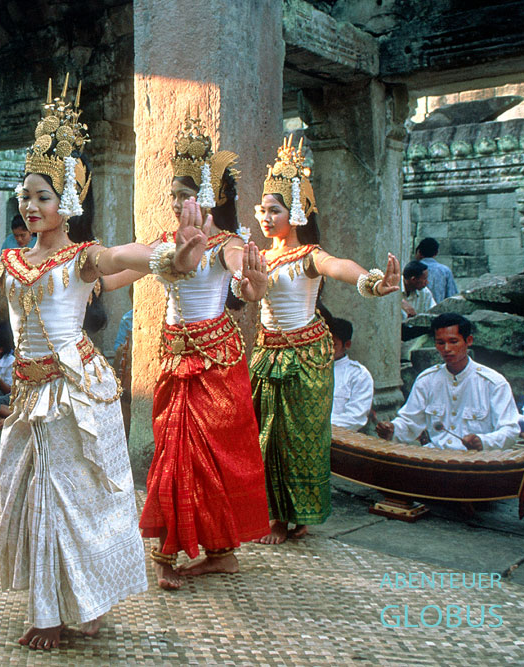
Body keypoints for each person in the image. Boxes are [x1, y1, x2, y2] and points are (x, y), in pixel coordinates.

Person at [0, 77, 205, 650]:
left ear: (66, 201)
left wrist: (175, 250)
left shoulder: (81, 259)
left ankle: (71, 607)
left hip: (75, 390)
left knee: (76, 499)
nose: (31, 205)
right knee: (32, 499)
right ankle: (55, 604)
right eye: (25, 196)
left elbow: (126, 255)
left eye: (43, 196)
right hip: (27, 395)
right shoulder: (10, 263)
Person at [129, 113, 270, 590]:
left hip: (215, 363)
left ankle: (217, 551)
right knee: (172, 449)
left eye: (184, 196)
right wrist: (85, 278)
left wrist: (252, 283)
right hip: (174, 357)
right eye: (172, 196)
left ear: (211, 198)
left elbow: (243, 279)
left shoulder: (228, 244)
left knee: (212, 456)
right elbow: (123, 269)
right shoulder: (166, 244)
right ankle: (173, 547)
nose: (175, 204)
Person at [251, 136, 401, 545]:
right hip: (267, 353)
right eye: (263, 210)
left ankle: (292, 517)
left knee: (298, 437)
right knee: (266, 434)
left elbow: (340, 267)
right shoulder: (258, 257)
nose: (266, 217)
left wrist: (370, 281)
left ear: (296, 213)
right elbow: (246, 294)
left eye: (275, 210)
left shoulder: (308, 256)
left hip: (304, 357)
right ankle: (271, 511)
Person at [377, 313, 520, 451]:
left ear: (468, 341)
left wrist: (483, 441)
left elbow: (510, 430)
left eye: (453, 342)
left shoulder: (493, 383)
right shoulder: (426, 380)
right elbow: (410, 423)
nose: (446, 349)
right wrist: (392, 429)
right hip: (435, 457)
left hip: (477, 462)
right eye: (440, 343)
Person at [329, 317, 374, 431]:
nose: (326, 350)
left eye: (333, 345)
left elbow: (355, 418)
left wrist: (318, 426)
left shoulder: (358, 375)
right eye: (322, 344)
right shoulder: (308, 369)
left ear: (347, 344)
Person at [415, 237, 458, 302]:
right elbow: (452, 296)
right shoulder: (445, 270)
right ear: (436, 253)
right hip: (439, 310)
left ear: (419, 252)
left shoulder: (413, 268)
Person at [0, 321, 15, 428]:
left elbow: (10, 391)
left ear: (0, 349)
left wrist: (0, 381)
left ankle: (16, 417)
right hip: (1, 397)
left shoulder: (10, 362)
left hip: (10, 397)